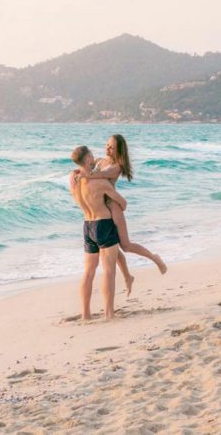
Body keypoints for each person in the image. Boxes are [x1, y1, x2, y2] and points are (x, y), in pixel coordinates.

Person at [76, 135, 167, 296]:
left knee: (126, 245)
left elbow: (95, 175)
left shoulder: (116, 167)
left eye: (111, 147)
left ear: (118, 150)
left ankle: (155, 258)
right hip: (102, 210)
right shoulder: (99, 161)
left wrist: (84, 174)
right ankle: (128, 277)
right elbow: (88, 167)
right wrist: (78, 170)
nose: (107, 149)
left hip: (113, 207)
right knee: (112, 248)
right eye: (107, 145)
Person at [69, 145, 126, 320]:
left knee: (89, 272)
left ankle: (85, 313)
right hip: (103, 224)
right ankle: (109, 313)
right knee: (109, 271)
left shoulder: (73, 181)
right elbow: (123, 203)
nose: (94, 159)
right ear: (87, 159)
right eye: (92, 156)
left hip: (87, 226)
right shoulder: (99, 182)